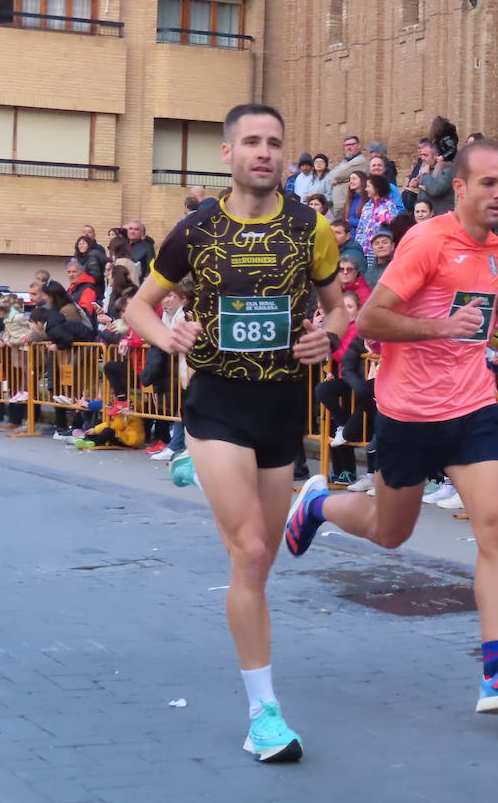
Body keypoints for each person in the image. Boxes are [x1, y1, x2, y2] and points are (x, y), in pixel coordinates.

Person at [281, 138, 498, 715]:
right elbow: (373, 317)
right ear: (459, 187)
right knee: (389, 532)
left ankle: (497, 673)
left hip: (473, 407)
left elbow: (484, 308)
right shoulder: (427, 241)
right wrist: (441, 329)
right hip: (407, 411)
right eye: (488, 183)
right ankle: (317, 506)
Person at [124, 103, 346, 764]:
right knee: (250, 549)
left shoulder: (312, 229)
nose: (264, 152)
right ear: (228, 153)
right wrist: (168, 333)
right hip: (216, 404)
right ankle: (264, 713)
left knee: (258, 560)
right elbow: (139, 303)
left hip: (282, 408)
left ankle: (289, 503)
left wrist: (324, 338)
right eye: (251, 141)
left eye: (275, 142)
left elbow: (340, 309)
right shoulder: (195, 231)